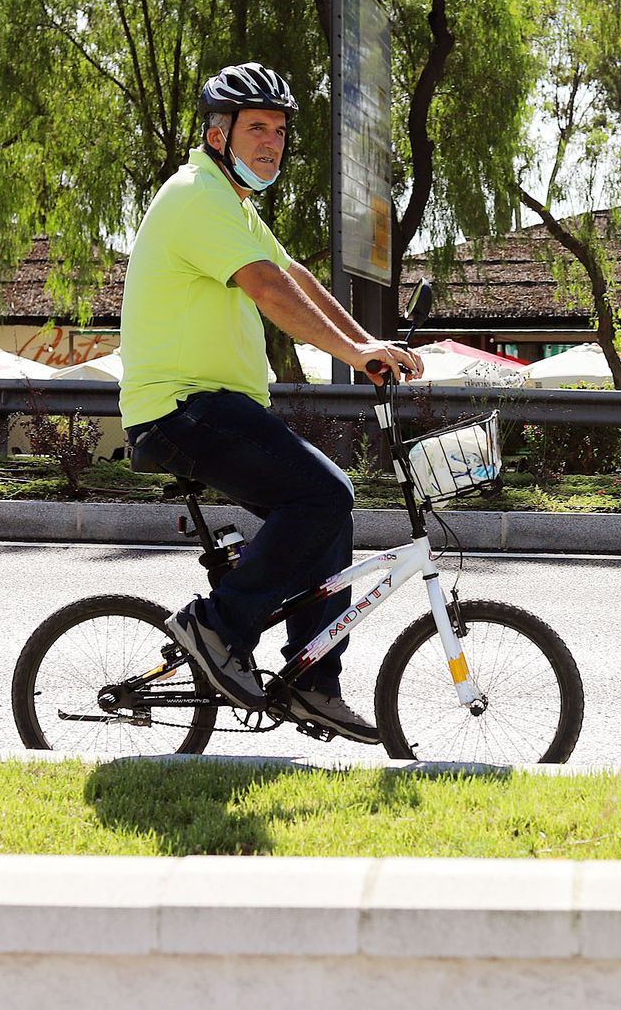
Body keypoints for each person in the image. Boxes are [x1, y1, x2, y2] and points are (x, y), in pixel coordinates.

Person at [118, 62, 422, 744]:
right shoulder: (196, 195)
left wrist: (364, 342)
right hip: (181, 409)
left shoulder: (235, 206)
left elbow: (294, 276)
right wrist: (353, 355)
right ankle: (216, 627)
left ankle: (313, 680)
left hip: (213, 410)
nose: (273, 142)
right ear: (217, 135)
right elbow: (265, 288)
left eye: (281, 131)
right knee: (320, 497)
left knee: (328, 505)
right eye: (258, 127)